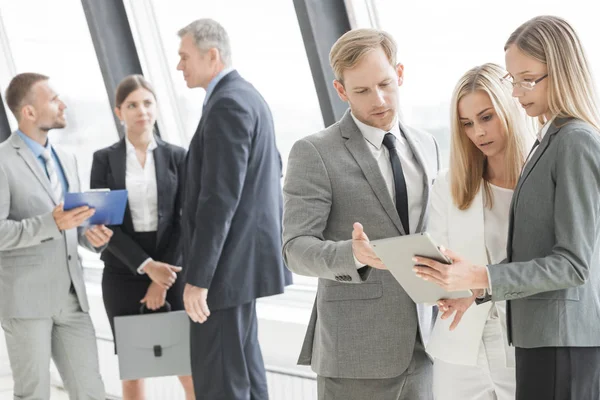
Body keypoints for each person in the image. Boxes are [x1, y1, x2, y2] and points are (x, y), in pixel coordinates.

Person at [413, 16, 600, 399]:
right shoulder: (549, 142)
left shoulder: (575, 141)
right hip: (539, 337)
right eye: (513, 80)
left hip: (560, 338)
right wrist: (477, 291)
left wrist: (481, 277)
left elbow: (574, 264)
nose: (517, 92)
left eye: (527, 79)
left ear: (562, 71)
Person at [283, 28, 440, 399]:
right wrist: (352, 254)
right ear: (341, 91)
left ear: (399, 73)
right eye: (362, 91)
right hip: (354, 352)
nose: (380, 100)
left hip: (425, 344)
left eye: (386, 84)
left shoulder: (428, 144)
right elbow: (294, 249)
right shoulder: (314, 152)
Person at [176, 18, 292, 399]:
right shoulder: (247, 97)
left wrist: (200, 279)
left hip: (225, 272)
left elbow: (219, 198)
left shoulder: (228, 103)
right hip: (241, 268)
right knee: (244, 370)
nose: (179, 66)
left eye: (184, 56)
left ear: (212, 55)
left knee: (220, 380)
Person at [0, 72, 111, 399]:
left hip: (72, 299)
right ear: (29, 112)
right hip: (26, 300)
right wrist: (53, 224)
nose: (62, 104)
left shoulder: (67, 159)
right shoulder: (2, 160)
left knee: (91, 391)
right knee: (33, 394)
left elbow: (70, 226)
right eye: (52, 99)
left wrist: (90, 236)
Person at [425, 63, 531, 400]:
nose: (478, 133)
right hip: (459, 349)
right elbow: (437, 260)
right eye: (467, 124)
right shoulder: (448, 185)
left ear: (510, 107)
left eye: (486, 117)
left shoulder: (540, 180)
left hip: (523, 347)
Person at [90, 74, 194, 400]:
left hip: (173, 270)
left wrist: (160, 278)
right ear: (119, 111)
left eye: (147, 103)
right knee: (134, 372)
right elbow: (106, 225)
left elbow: (185, 220)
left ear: (157, 108)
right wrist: (147, 267)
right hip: (123, 271)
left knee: (187, 368)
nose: (141, 111)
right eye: (132, 105)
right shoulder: (104, 159)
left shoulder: (178, 156)